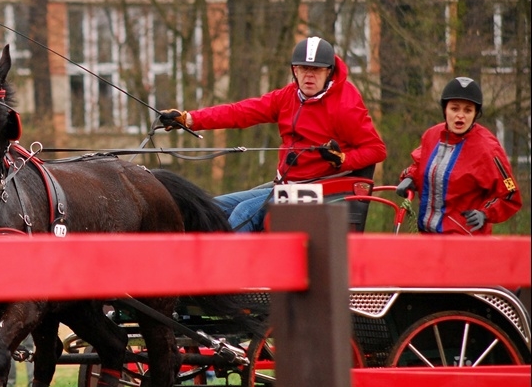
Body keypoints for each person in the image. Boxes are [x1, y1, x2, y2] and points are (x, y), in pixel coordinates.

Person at [160, 36, 387, 232]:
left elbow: (376, 150)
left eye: (316, 70)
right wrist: (190, 120)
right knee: (212, 207)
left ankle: (232, 273)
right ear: (294, 70)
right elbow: (241, 112)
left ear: (329, 72)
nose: (309, 76)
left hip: (317, 189)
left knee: (243, 212)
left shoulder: (345, 106)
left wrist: (344, 160)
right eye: (303, 69)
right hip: (284, 185)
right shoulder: (288, 96)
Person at [396, 76, 522, 235]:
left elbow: (510, 193)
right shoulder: (432, 135)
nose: (460, 115)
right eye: (455, 109)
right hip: (427, 235)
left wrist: (485, 213)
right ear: (445, 110)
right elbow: (420, 165)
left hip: (465, 241)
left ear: (476, 113)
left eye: (468, 110)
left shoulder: (488, 148)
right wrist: (409, 177)